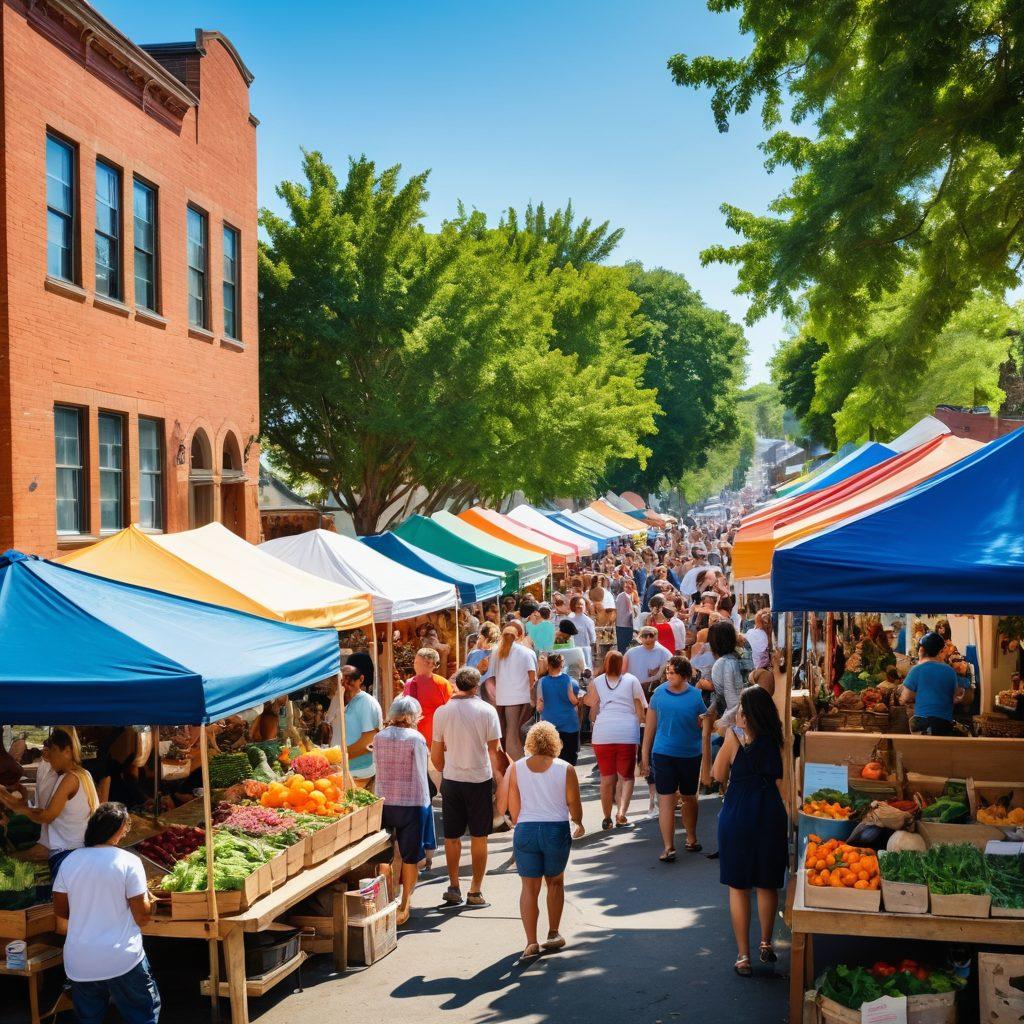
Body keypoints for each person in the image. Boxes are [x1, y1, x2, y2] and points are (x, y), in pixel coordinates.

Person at [52, 803, 159, 1024]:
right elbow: (143, 917)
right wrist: (152, 901)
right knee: (143, 1016)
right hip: (122, 959)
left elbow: (61, 910)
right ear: (119, 829)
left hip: (80, 961)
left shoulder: (69, 861)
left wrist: (89, 907)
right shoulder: (129, 861)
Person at [713, 687, 788, 976]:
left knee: (739, 886)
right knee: (767, 883)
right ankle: (766, 942)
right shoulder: (779, 741)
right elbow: (783, 786)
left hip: (737, 816)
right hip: (770, 815)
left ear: (746, 714)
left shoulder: (733, 739)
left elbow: (717, 775)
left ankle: (743, 955)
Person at [497, 722, 584, 960]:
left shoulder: (517, 768)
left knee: (529, 888)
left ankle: (531, 942)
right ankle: (553, 933)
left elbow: (509, 805)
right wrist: (578, 822)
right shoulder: (565, 768)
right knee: (555, 882)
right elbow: (573, 804)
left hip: (525, 829)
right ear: (556, 742)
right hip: (556, 829)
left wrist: (520, 823)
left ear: (530, 743)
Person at [431, 667, 504, 907]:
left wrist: (445, 768)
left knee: (452, 837)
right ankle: (475, 890)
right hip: (479, 779)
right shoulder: (487, 711)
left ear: (457, 685)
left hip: (452, 780)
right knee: (479, 836)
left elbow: (436, 756)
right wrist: (502, 778)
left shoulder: (442, 712)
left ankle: (454, 886)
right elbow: (495, 751)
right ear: (476, 686)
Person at [0, 728, 98, 876]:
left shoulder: (70, 779)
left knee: (9, 862)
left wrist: (18, 807)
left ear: (66, 750)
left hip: (68, 853)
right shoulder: (84, 774)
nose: (49, 757)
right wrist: (11, 800)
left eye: (52, 751)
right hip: (79, 849)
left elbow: (47, 816)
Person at [375, 696, 434, 925]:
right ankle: (405, 903)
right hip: (412, 804)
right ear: (413, 717)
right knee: (410, 856)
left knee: (386, 855)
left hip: (385, 802)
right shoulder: (416, 738)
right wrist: (427, 806)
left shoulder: (379, 737)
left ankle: (386, 899)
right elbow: (421, 774)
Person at [640, 656, 706, 861]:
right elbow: (649, 729)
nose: (669, 675)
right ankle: (668, 847)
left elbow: (703, 724)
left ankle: (691, 837)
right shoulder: (658, 694)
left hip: (690, 754)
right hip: (663, 754)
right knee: (666, 800)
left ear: (685, 675)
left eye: (673, 672)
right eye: (667, 671)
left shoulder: (696, 696)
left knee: (689, 798)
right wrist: (644, 757)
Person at [585, 650, 646, 829]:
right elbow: (640, 708)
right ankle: (621, 812)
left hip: (603, 732)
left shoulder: (597, 681)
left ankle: (606, 817)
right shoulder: (632, 680)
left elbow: (591, 704)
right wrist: (642, 726)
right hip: (626, 731)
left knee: (606, 778)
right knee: (626, 777)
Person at [330, 662, 383, 790]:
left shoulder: (366, 703)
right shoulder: (338, 700)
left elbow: (368, 742)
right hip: (342, 770)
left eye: (350, 680)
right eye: (342, 681)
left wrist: (340, 758)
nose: (346, 685)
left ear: (361, 680)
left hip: (359, 771)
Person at [900, 631, 965, 735]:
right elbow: (954, 697)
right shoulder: (950, 671)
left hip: (922, 723)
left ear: (921, 650)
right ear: (940, 651)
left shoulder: (916, 670)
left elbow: (905, 698)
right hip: (944, 724)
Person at [491, 626, 538, 762]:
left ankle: (515, 761)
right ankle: (517, 762)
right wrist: (532, 696)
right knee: (514, 732)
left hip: (503, 696)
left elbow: (493, 674)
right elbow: (532, 677)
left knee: (510, 731)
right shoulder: (525, 652)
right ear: (519, 635)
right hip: (521, 697)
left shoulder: (496, 651)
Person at [403, 647, 453, 748]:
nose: (414, 665)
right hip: (415, 735)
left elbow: (450, 710)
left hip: (437, 737)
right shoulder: (410, 683)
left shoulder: (442, 684)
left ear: (431, 664)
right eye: (415, 662)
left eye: (417, 662)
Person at [536, 653, 581, 765]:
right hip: (569, 724)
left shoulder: (542, 682)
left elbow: (539, 707)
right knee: (569, 759)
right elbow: (573, 701)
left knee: (551, 759)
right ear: (562, 665)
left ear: (548, 665)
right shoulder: (569, 681)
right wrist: (579, 701)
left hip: (549, 725)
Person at [624, 626, 672, 697]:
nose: (648, 639)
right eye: (644, 636)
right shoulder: (631, 652)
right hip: (633, 689)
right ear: (640, 638)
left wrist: (662, 671)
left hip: (653, 691)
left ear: (656, 637)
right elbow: (622, 671)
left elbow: (672, 669)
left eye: (651, 636)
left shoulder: (664, 652)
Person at [552, 620, 588, 685]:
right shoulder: (551, 638)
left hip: (567, 666)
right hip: (555, 662)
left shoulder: (570, 640)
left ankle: (583, 672)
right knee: (578, 651)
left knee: (578, 656)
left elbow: (573, 654)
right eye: (568, 635)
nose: (569, 637)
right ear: (563, 632)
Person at [567, 595, 597, 671]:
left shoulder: (588, 620)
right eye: (578, 604)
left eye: (582, 604)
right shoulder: (569, 618)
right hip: (572, 648)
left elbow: (593, 638)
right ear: (573, 605)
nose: (580, 606)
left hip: (584, 649)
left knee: (586, 670)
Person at [614, 579, 639, 654]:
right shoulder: (624, 596)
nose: (628, 586)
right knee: (623, 647)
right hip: (623, 625)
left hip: (627, 625)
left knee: (626, 647)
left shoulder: (630, 595)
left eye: (630, 585)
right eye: (626, 585)